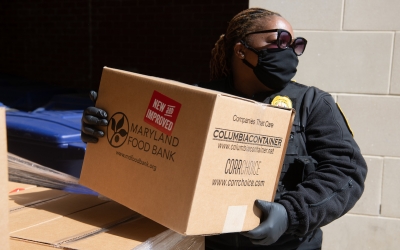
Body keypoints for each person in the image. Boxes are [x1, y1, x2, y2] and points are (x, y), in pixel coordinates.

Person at [81, 8, 367, 250]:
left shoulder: (313, 104)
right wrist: (105, 132)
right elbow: (150, 149)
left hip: (288, 244)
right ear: (241, 50)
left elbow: (346, 172)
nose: (289, 51)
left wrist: (290, 214)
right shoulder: (198, 100)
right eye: (278, 41)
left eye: (295, 44)